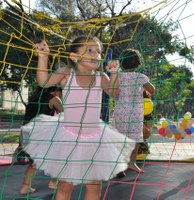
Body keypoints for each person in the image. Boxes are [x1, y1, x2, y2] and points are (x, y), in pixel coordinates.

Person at [20, 36, 135, 200]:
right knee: (65, 185)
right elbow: (44, 82)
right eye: (90, 50)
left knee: (95, 185)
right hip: (68, 138)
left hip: (94, 138)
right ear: (74, 57)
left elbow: (113, 91)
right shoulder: (67, 73)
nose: (96, 55)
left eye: (98, 51)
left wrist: (115, 73)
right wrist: (43, 58)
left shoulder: (100, 76)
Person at [112, 49, 155, 176]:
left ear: (121, 63)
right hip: (135, 113)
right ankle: (132, 162)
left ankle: (118, 165)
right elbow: (151, 89)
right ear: (138, 63)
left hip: (120, 112)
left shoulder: (117, 76)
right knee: (135, 138)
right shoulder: (140, 77)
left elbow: (112, 90)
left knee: (120, 138)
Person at [16, 86, 63, 194]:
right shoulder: (54, 98)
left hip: (26, 132)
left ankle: (26, 187)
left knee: (35, 162)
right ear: (57, 90)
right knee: (58, 157)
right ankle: (53, 181)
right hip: (40, 133)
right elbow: (66, 113)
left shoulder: (34, 97)